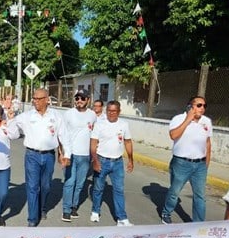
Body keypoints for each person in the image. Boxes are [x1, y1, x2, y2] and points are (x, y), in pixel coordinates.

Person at [7, 88, 71, 227]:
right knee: (32, 187)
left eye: (38, 98)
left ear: (47, 99)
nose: (35, 101)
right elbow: (12, 135)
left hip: (49, 156)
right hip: (32, 156)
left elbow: (64, 136)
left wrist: (67, 154)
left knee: (46, 186)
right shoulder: (26, 116)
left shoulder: (56, 116)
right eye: (34, 98)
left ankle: (42, 208)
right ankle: (32, 218)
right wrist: (11, 119)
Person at [160, 96, 212, 224]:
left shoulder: (206, 121)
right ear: (190, 106)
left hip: (200, 164)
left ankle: (198, 223)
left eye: (204, 105)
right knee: (174, 192)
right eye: (199, 105)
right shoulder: (178, 119)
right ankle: (166, 212)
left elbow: (208, 143)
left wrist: (206, 164)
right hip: (181, 163)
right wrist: (188, 120)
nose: (202, 108)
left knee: (200, 196)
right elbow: (173, 135)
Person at [90, 100, 134, 226]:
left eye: (114, 111)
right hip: (102, 160)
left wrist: (131, 159)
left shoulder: (124, 124)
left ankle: (122, 218)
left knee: (119, 190)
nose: (111, 113)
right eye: (109, 110)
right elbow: (93, 143)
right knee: (98, 188)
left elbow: (128, 142)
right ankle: (95, 211)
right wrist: (95, 160)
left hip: (118, 162)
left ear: (119, 112)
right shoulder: (100, 124)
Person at [61, 89, 97, 222]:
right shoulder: (68, 114)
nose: (79, 101)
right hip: (71, 154)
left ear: (88, 100)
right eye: (77, 98)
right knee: (69, 183)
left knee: (80, 184)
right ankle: (66, 210)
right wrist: (63, 153)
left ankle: (74, 206)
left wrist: (94, 154)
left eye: (82, 98)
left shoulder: (93, 115)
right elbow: (62, 134)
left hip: (85, 156)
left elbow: (95, 134)